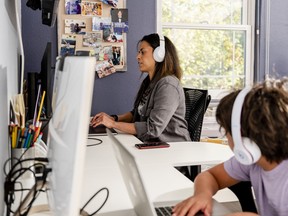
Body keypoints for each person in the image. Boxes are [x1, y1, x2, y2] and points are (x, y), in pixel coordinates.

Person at [172, 78, 288, 216]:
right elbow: (211, 175)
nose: (226, 136)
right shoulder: (252, 162)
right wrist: (202, 195)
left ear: (242, 139)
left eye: (226, 131)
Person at [90, 33, 191, 142]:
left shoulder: (168, 85)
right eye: (139, 52)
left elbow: (152, 128)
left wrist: (113, 124)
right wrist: (114, 118)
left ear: (159, 54)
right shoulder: (149, 82)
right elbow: (137, 114)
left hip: (173, 148)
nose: (137, 56)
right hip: (152, 144)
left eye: (143, 52)